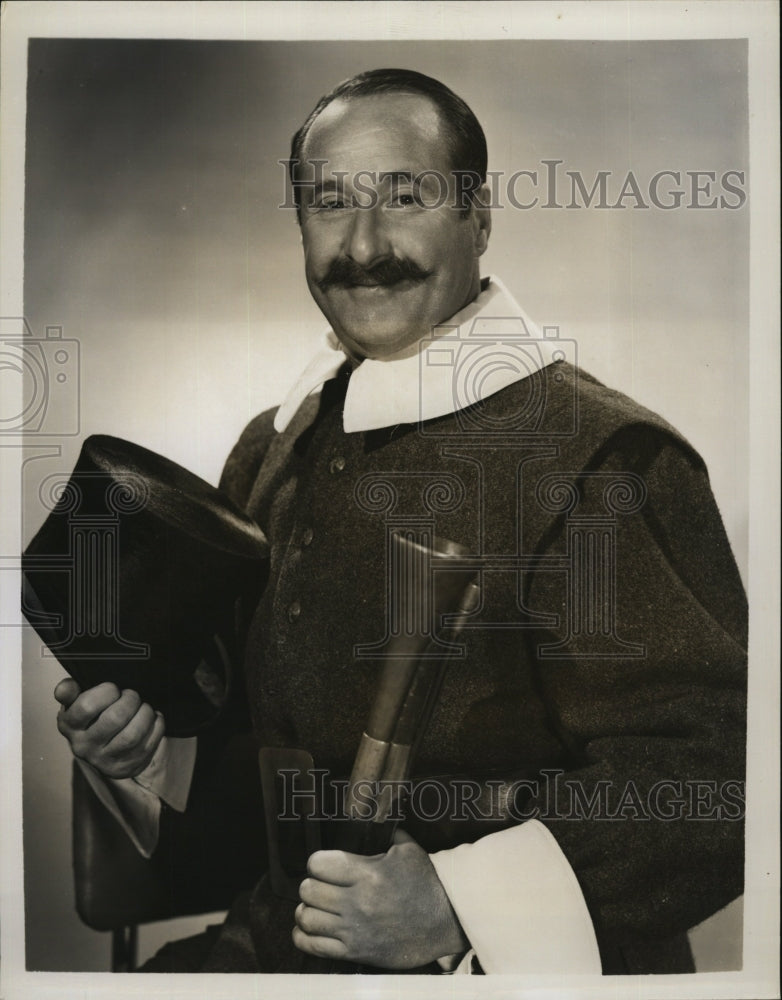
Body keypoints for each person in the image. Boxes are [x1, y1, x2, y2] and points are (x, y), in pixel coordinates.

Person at [54, 69, 747, 975]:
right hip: (283, 952)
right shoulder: (274, 449)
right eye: (330, 202)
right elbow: (260, 757)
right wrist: (147, 754)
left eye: (406, 197)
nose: (364, 245)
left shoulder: (600, 459)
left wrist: (459, 904)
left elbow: (720, 777)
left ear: (479, 217)